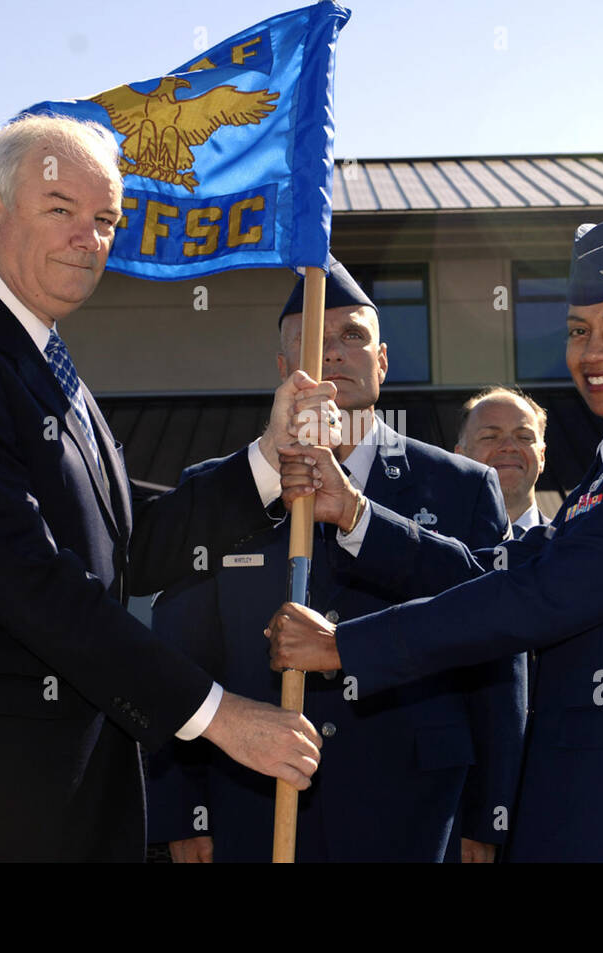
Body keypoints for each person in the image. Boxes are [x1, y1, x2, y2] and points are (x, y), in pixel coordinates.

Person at [0, 114, 329, 862]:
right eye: (61, 211)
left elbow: (126, 553)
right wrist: (217, 714)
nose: (87, 238)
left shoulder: (51, 363)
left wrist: (265, 455)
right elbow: (24, 576)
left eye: (104, 220)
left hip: (60, 810)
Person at [268, 218, 603, 862]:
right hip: (597, 811)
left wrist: (345, 645)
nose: (593, 352)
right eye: (579, 330)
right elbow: (496, 569)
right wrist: (357, 513)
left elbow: (538, 599)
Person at [147, 263, 525, 863]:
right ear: (282, 371)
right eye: (311, 342)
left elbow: (497, 639)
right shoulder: (228, 490)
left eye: (352, 337)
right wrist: (181, 808)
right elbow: (182, 650)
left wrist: (490, 813)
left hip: (417, 808)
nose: (335, 354)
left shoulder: (461, 487)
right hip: (254, 803)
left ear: (381, 362)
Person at [455, 386, 549, 537]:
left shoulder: (574, 546)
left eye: (524, 437)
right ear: (461, 458)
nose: (509, 447)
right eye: (490, 436)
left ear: (542, 456)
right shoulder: (433, 551)